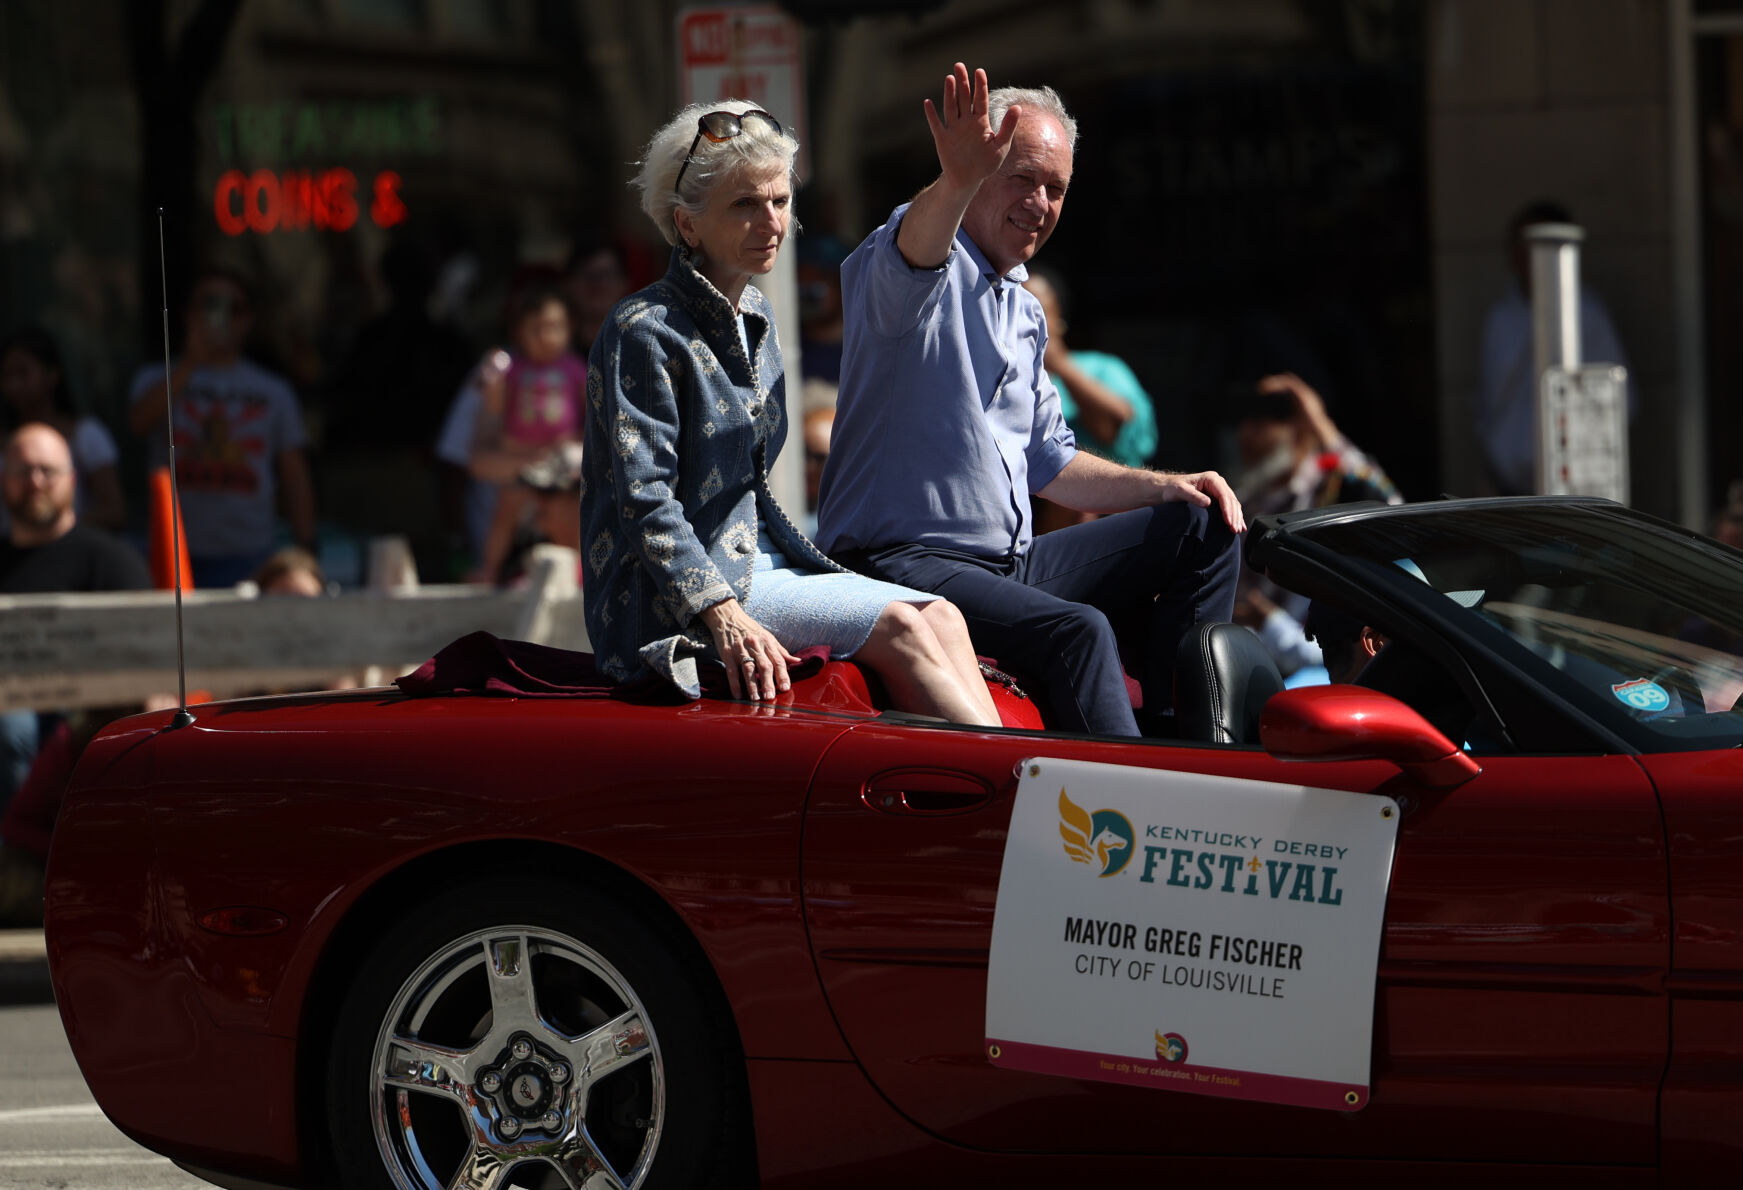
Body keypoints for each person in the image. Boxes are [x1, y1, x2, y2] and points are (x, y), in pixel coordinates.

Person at [815, 64, 1244, 737]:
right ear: (980, 172)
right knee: (1078, 631)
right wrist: (952, 181)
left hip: (1008, 566)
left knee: (1202, 520)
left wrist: (1168, 486)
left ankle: (1188, 736)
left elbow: (1049, 461)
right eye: (1022, 178)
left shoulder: (1023, 309)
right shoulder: (914, 265)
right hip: (902, 565)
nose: (1039, 202)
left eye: (1055, 189)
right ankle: (1141, 795)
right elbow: (918, 247)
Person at [581, 99, 1000, 726]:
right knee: (901, 628)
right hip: (669, 598)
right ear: (686, 225)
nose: (771, 222)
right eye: (745, 204)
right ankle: (1010, 788)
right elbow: (646, 502)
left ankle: (1025, 787)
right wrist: (721, 614)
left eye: (779, 201)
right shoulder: (643, 328)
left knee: (940, 614)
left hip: (759, 562)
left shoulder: (758, 316)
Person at [0, 422, 150, 847]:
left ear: (72, 480)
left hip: (90, 717)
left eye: (47, 470)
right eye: (22, 471)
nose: (35, 481)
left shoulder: (112, 560)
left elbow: (149, 649)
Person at [128, 267, 317, 587]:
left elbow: (293, 473)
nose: (223, 318)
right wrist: (192, 361)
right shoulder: (154, 379)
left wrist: (306, 544)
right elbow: (138, 424)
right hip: (173, 553)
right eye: (210, 305)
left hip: (250, 555)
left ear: (249, 320)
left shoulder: (274, 391)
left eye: (235, 309)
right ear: (189, 315)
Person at [1232, 371, 1401, 675]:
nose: (1246, 435)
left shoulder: (1325, 488)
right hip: (1252, 660)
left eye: (1262, 424)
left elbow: (1388, 507)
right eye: (1245, 422)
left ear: (1296, 432)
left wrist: (1320, 424)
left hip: (1309, 664)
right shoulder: (1247, 499)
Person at [1477, 200, 1630, 496]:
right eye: (1518, 245)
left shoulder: (1587, 315)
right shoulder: (1500, 318)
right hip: (1510, 486)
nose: (1523, 256)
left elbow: (1618, 399)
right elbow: (1488, 402)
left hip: (1575, 488)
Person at [1021, 266, 1159, 533]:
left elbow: (1112, 426)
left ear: (1058, 319)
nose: (1027, 323)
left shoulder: (1101, 368)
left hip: (1111, 514)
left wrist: (1058, 361)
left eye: (1037, 313)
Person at [470, 286, 586, 583]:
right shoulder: (512, 369)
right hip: (520, 458)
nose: (545, 336)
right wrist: (491, 385)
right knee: (505, 514)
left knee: (569, 517)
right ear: (518, 332)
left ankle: (583, 573)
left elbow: (591, 410)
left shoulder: (575, 368)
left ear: (569, 329)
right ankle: (489, 569)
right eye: (536, 329)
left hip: (562, 460)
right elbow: (495, 406)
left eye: (554, 327)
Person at [1, 325, 125, 533]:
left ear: (52, 375)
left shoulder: (86, 434)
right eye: (6, 376)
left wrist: (53, 529)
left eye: (23, 373)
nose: (14, 385)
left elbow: (113, 512)